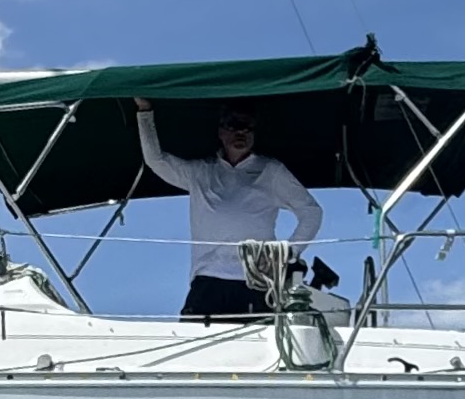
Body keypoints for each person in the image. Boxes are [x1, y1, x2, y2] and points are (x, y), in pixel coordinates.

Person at [133, 97, 323, 320]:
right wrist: (145, 112)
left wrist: (289, 253)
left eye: (247, 128)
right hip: (208, 281)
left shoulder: (271, 171)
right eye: (234, 126)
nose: (240, 133)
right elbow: (156, 161)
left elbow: (311, 212)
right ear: (221, 132)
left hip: (256, 283)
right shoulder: (201, 173)